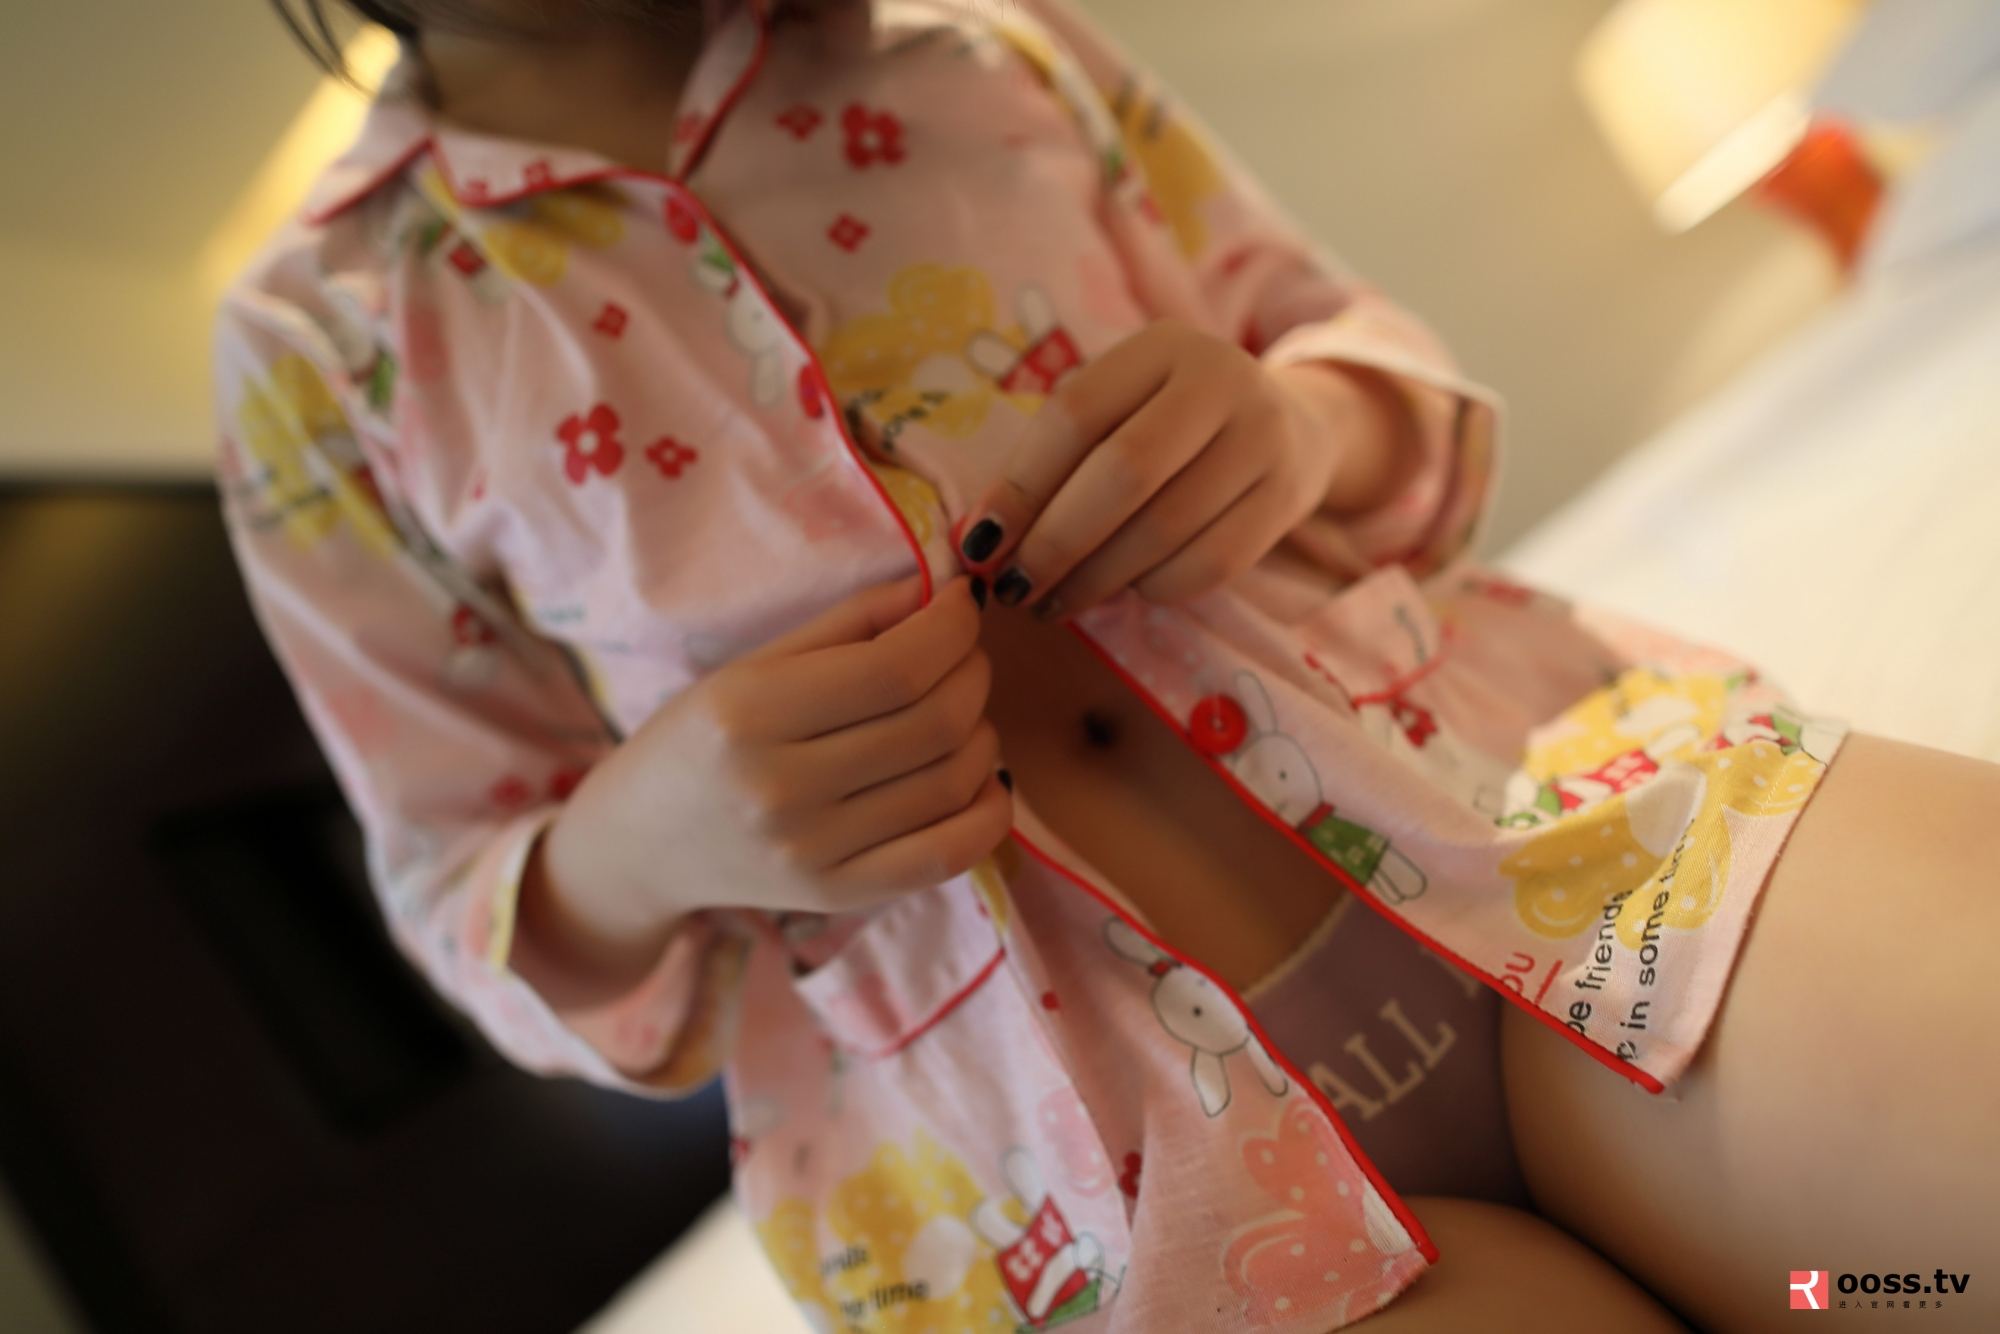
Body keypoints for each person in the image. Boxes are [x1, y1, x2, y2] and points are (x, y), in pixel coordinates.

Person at [219, 0, 1998, 1328]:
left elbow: (1357, 364)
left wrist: (1303, 425)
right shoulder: (326, 337)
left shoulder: (980, 34)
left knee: (1903, 1277)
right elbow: (459, 881)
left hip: (1543, 829)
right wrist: (642, 837)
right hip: (1082, 1192)